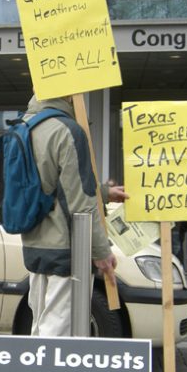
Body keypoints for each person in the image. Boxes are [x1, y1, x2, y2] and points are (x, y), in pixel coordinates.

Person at [21, 94, 118, 337]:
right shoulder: (67, 131)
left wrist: (103, 192)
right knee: (58, 331)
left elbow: (51, 184)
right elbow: (79, 202)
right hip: (66, 248)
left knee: (40, 324)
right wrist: (100, 251)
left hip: (33, 243)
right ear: (67, 95)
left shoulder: (25, 126)